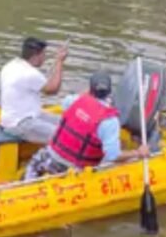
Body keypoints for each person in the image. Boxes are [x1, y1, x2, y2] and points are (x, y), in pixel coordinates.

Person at [23, 71, 151, 181]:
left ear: (90, 89)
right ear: (109, 92)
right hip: (72, 169)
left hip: (48, 158)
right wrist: (138, 153)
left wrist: (87, 94)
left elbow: (65, 103)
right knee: (120, 157)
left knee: (32, 168)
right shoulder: (110, 121)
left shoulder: (74, 101)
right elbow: (113, 155)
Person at [0, 37, 67, 144]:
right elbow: (53, 89)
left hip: (25, 116)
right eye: (43, 54)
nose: (44, 58)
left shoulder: (9, 65)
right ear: (36, 55)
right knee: (65, 136)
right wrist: (59, 61)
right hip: (19, 124)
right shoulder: (30, 73)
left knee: (68, 123)